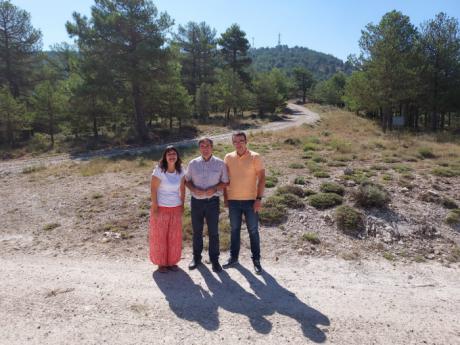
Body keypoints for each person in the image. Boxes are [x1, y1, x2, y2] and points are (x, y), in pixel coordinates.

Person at [223, 131, 265, 274]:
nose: (238, 144)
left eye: (241, 141)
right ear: (233, 143)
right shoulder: (228, 157)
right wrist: (225, 198)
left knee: (253, 231)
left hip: (251, 201)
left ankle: (256, 260)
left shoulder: (255, 157)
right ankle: (233, 258)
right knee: (234, 230)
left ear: (246, 141)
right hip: (233, 200)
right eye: (235, 141)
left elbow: (262, 179)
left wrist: (259, 199)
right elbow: (225, 180)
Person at [185, 137, 229, 273]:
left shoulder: (220, 164)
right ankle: (196, 258)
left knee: (213, 232)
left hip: (212, 202)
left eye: (208, 146)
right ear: (200, 148)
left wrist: (215, 188)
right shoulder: (193, 164)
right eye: (202, 146)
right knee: (197, 231)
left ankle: (214, 260)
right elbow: (186, 181)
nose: (205, 149)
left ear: (212, 147)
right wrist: (193, 189)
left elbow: (225, 182)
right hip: (196, 202)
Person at [149, 146, 185, 273]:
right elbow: (153, 189)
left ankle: (171, 262)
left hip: (175, 207)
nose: (171, 156)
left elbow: (182, 188)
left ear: (177, 156)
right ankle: (161, 263)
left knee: (174, 237)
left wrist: (182, 204)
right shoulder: (159, 170)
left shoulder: (180, 170)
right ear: (165, 156)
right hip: (161, 208)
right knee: (160, 237)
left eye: (174, 154)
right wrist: (154, 205)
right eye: (169, 154)